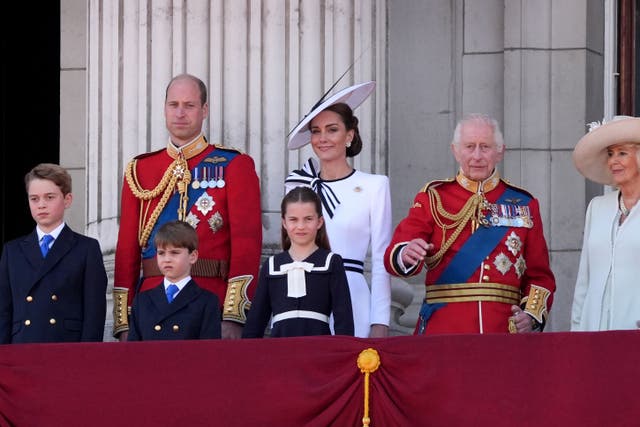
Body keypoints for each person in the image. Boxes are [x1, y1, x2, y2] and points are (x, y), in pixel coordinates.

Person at [113, 73, 262, 340]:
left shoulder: (233, 164)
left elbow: (247, 245)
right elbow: (126, 250)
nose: (180, 113)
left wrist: (234, 315)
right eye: (174, 105)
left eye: (189, 105)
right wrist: (124, 321)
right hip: (151, 305)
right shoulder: (140, 170)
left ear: (204, 110)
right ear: (164, 108)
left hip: (211, 304)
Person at [384, 114, 556, 334]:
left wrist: (531, 315)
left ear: (500, 151)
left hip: (503, 331)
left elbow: (539, 275)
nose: (477, 156)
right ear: (455, 150)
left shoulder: (524, 203)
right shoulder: (434, 198)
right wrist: (406, 252)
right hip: (445, 329)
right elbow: (396, 252)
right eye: (469, 146)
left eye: (485, 147)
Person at [285, 81, 392, 338]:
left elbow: (381, 259)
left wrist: (380, 321)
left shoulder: (374, 186)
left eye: (332, 130)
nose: (322, 138)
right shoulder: (297, 184)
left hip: (353, 294)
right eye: (316, 131)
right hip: (304, 296)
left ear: (349, 135)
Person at [0, 163, 107, 343]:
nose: (41, 205)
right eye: (34, 199)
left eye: (49, 197)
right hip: (22, 349)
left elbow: (94, 313)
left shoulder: (86, 248)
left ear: (67, 199)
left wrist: (87, 357)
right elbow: (3, 311)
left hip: (66, 349)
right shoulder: (12, 251)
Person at [242, 187, 354, 338]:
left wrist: (342, 355)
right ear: (284, 222)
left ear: (319, 222)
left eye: (308, 219)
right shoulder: (272, 265)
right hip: (280, 352)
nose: (301, 226)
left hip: (320, 350)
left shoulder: (332, 262)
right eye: (293, 219)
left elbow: (344, 319)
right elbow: (256, 321)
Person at [571, 116, 640, 331]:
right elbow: (584, 280)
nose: (613, 161)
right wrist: (576, 331)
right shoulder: (598, 207)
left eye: (622, 153)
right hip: (594, 334)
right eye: (610, 154)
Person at [128, 220, 221, 340]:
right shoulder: (142, 301)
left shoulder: (206, 301)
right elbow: (133, 352)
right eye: (161, 253)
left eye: (174, 253)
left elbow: (209, 352)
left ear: (192, 256)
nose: (167, 259)